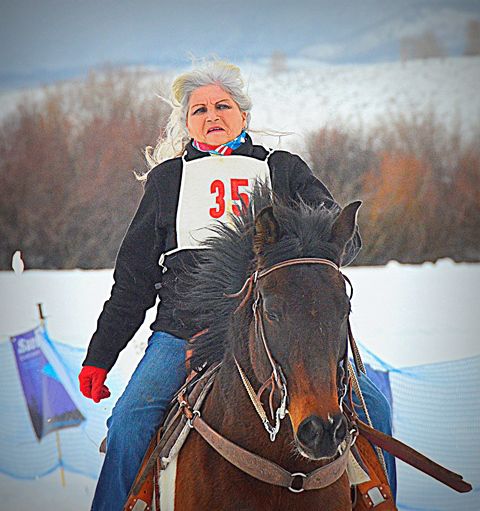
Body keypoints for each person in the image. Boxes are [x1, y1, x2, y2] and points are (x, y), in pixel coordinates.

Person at [78, 60, 396, 511]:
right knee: (130, 422)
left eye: (222, 106)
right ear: (186, 124)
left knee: (375, 411)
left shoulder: (282, 169)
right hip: (182, 333)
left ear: (243, 116)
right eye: (199, 110)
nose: (212, 117)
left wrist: (306, 237)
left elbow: (344, 238)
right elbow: (133, 282)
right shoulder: (167, 181)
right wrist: (100, 356)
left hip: (283, 331)